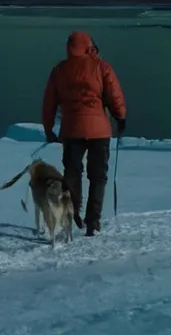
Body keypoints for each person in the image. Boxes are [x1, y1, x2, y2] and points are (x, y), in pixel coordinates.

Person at [41, 30, 126, 236]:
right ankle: (93, 221)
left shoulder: (59, 70)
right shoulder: (101, 67)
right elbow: (114, 95)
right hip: (99, 131)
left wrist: (48, 128)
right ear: (90, 47)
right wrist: (120, 116)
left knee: (72, 173)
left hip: (71, 130)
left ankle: (72, 213)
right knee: (98, 176)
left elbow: (49, 103)